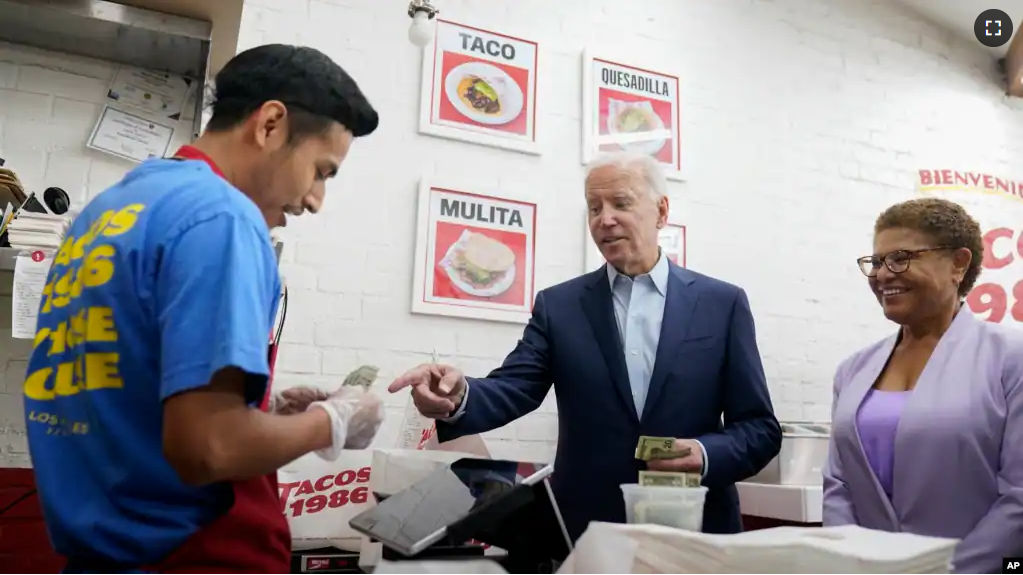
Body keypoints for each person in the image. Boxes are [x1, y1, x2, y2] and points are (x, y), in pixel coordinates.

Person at [22, 44, 385, 573]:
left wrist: (261, 411)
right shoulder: (223, 218)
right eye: (322, 170)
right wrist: (333, 420)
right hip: (193, 554)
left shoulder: (109, 212)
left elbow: (128, 389)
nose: (314, 199)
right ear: (270, 125)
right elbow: (208, 448)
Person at [389, 151, 782, 543]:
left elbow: (760, 429)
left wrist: (705, 453)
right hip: (588, 531)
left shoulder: (722, 304)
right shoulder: (559, 306)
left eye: (620, 203)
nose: (604, 219)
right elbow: (514, 387)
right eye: (594, 207)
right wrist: (458, 395)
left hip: (696, 530)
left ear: (661, 212)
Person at [822, 197, 1023, 573]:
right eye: (877, 262)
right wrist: (850, 563)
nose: (883, 274)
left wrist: (945, 570)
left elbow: (1019, 499)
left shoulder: (1010, 359)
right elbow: (839, 484)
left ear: (958, 264)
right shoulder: (853, 371)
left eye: (901, 258)